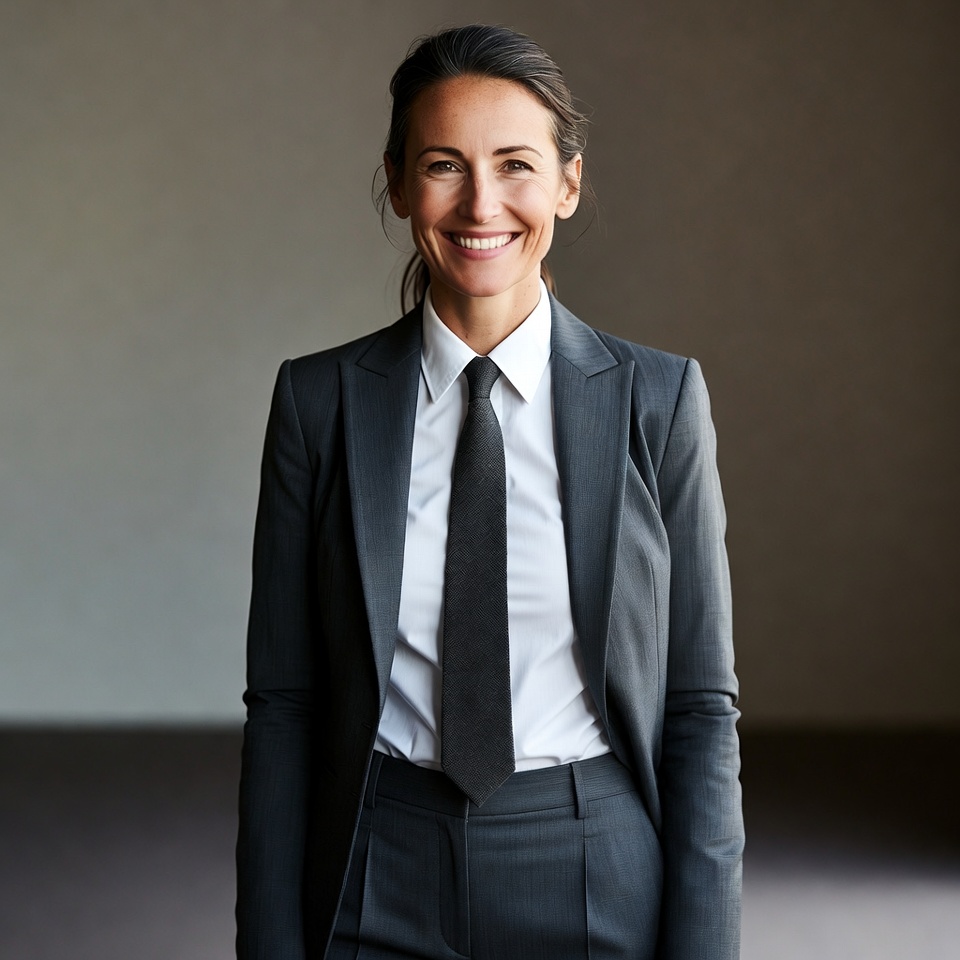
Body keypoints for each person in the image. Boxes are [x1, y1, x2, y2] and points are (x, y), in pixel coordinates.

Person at [236, 23, 743, 960]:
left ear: (568, 183)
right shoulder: (319, 404)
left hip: (592, 866)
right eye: (443, 164)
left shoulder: (660, 401)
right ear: (396, 183)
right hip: (374, 865)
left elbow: (698, 704)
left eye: (516, 164)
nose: (481, 203)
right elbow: (285, 702)